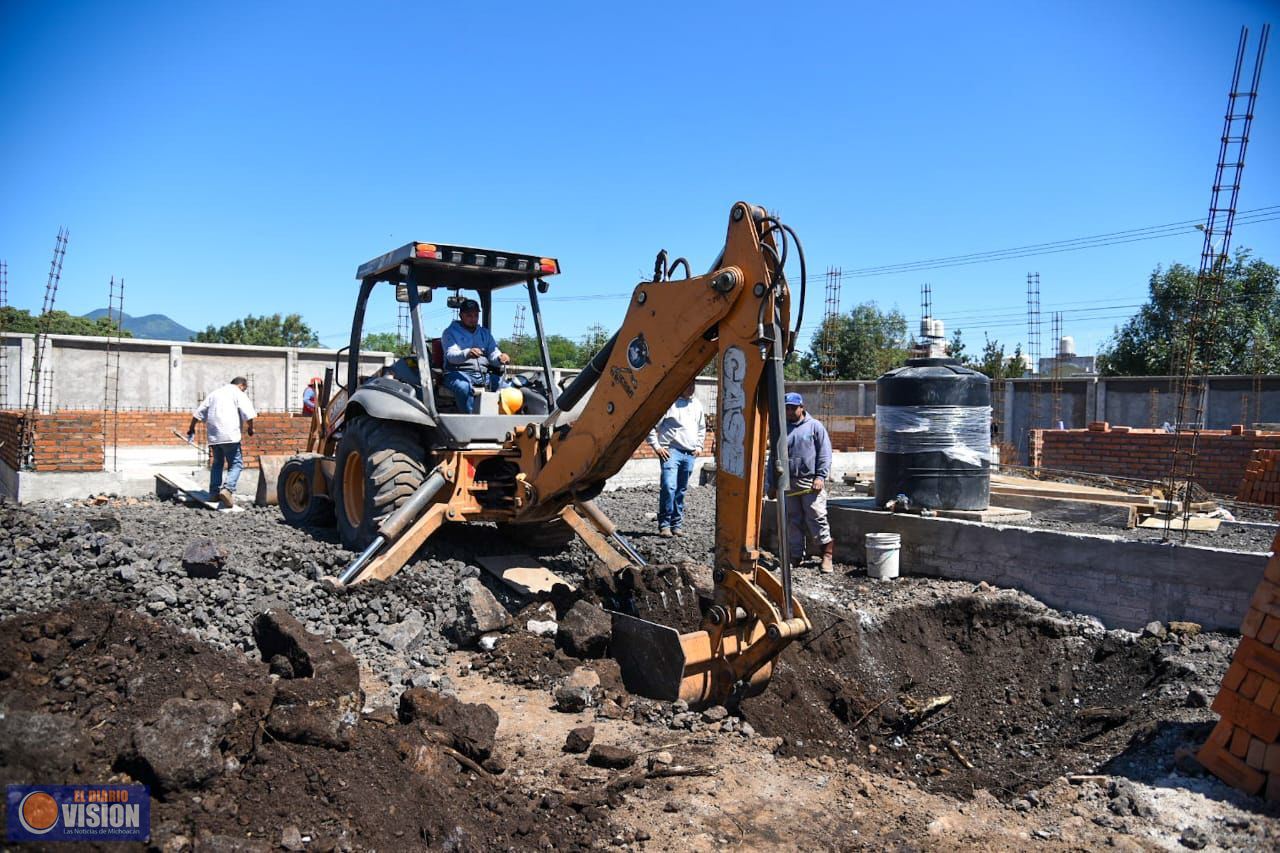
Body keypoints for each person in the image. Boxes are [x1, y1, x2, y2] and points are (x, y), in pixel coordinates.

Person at [767, 392, 835, 572]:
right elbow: (773, 458)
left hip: (809, 482)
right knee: (792, 520)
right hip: (787, 481)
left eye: (793, 408)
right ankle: (796, 556)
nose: (789, 411)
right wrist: (771, 484)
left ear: (801, 407)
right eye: (787, 408)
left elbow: (825, 454)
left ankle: (826, 556)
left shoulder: (814, 427)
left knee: (816, 517)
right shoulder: (781, 430)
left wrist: (820, 477)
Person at [646, 382, 705, 537]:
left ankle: (676, 525)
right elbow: (650, 424)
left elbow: (701, 427)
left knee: (681, 489)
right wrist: (657, 446)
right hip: (671, 451)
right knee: (669, 486)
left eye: (693, 385)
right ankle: (664, 525)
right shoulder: (669, 403)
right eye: (688, 385)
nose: (691, 388)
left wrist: (699, 446)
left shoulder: (697, 404)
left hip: (689, 453)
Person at [187, 377, 257, 508]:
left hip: (214, 436)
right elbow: (249, 412)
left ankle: (214, 493)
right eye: (245, 389)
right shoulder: (237, 393)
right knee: (236, 464)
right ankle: (228, 489)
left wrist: (191, 429)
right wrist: (251, 428)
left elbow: (198, 413)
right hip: (230, 435)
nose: (244, 391)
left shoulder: (214, 393)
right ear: (241, 386)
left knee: (217, 463)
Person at [441, 299, 510, 413]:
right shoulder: (450, 332)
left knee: (508, 389)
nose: (473, 319)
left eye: (476, 315)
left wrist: (499, 357)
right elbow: (451, 355)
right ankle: (472, 421)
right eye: (469, 315)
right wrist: (467, 353)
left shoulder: (484, 333)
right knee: (463, 387)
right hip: (457, 373)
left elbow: (493, 352)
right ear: (461, 315)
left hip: (483, 374)